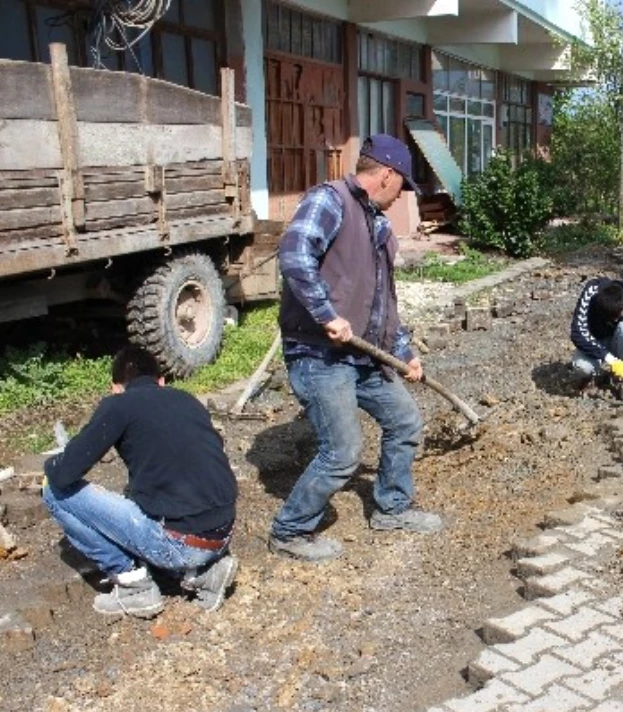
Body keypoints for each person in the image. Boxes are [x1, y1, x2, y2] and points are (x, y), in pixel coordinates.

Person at [271, 133, 442, 563]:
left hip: (363, 355)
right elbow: (293, 255)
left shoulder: (378, 227)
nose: (403, 194)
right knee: (343, 452)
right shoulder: (330, 201)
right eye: (403, 184)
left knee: (405, 422)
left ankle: (392, 508)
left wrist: (404, 352)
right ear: (386, 175)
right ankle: (290, 530)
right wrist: (327, 315)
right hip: (319, 357)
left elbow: (383, 302)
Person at [42, 345, 239, 619]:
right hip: (223, 531)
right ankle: (205, 573)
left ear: (116, 388)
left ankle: (133, 586)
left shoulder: (118, 405)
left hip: (183, 545)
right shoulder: (187, 400)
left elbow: (65, 473)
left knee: (53, 492)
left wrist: (50, 464)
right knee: (141, 494)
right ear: (161, 381)